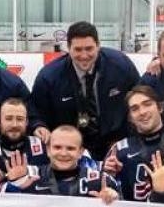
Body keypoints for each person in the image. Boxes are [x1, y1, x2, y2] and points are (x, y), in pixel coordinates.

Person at [29, 21, 141, 159]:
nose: (84, 55)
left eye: (89, 49)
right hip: (70, 149)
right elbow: (35, 112)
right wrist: (38, 126)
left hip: (116, 143)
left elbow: (141, 95)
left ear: (98, 46)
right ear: (68, 48)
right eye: (78, 49)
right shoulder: (49, 77)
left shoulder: (121, 65)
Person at [0, 125, 118, 203]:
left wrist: (113, 199)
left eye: (70, 148)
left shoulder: (100, 181)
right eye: (57, 147)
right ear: (48, 150)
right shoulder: (29, 176)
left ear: (81, 152)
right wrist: (14, 186)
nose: (63, 153)